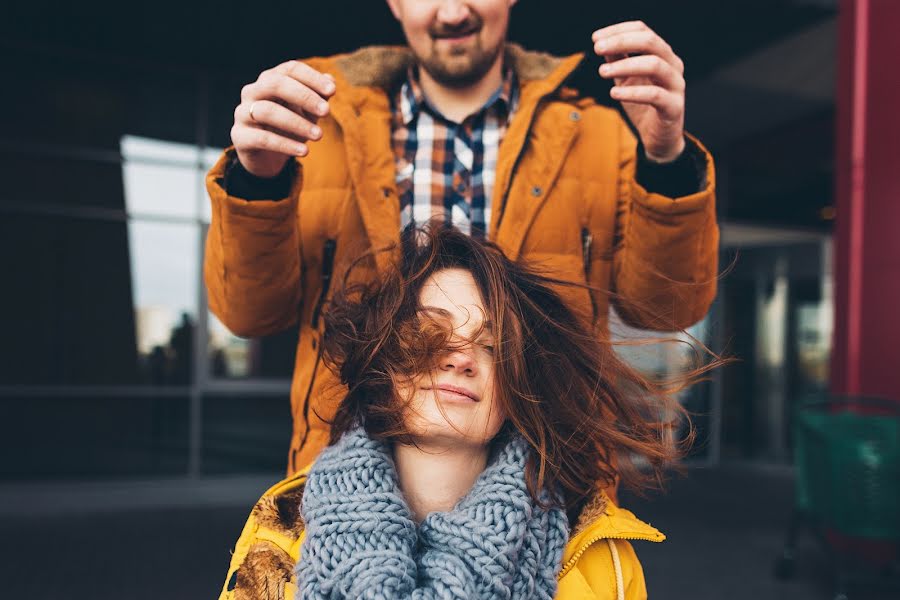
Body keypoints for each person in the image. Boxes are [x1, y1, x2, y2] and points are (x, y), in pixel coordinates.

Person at [205, 0, 719, 475]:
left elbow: (665, 312)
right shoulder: (315, 130)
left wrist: (666, 161)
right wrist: (258, 180)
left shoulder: (600, 135)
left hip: (552, 480)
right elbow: (249, 315)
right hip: (346, 474)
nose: (452, 12)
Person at [218, 225, 713, 600]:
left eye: (493, 345)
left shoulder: (599, 555)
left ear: (518, 387)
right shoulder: (279, 536)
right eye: (429, 333)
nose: (461, 357)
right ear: (383, 362)